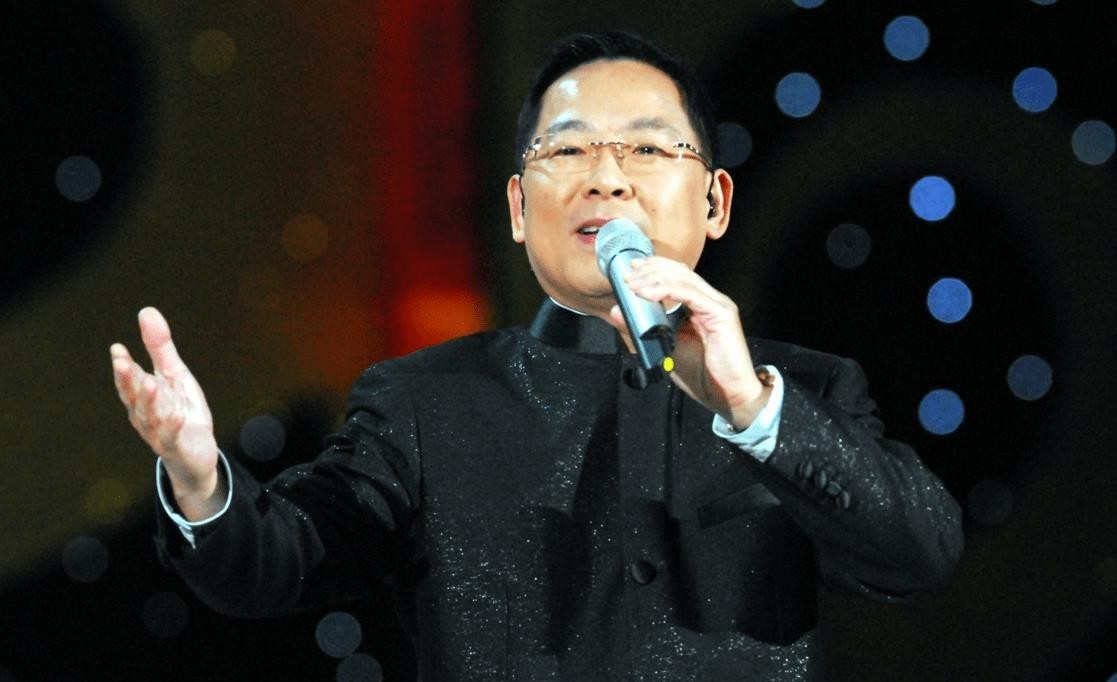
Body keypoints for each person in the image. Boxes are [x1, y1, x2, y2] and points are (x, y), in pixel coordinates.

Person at [110, 31, 963, 681]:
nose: (607, 178)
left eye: (647, 148)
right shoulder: (426, 399)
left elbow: (919, 552)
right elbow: (277, 562)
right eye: (568, 148)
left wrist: (755, 411)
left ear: (716, 202)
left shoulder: (804, 389)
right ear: (518, 208)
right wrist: (199, 478)